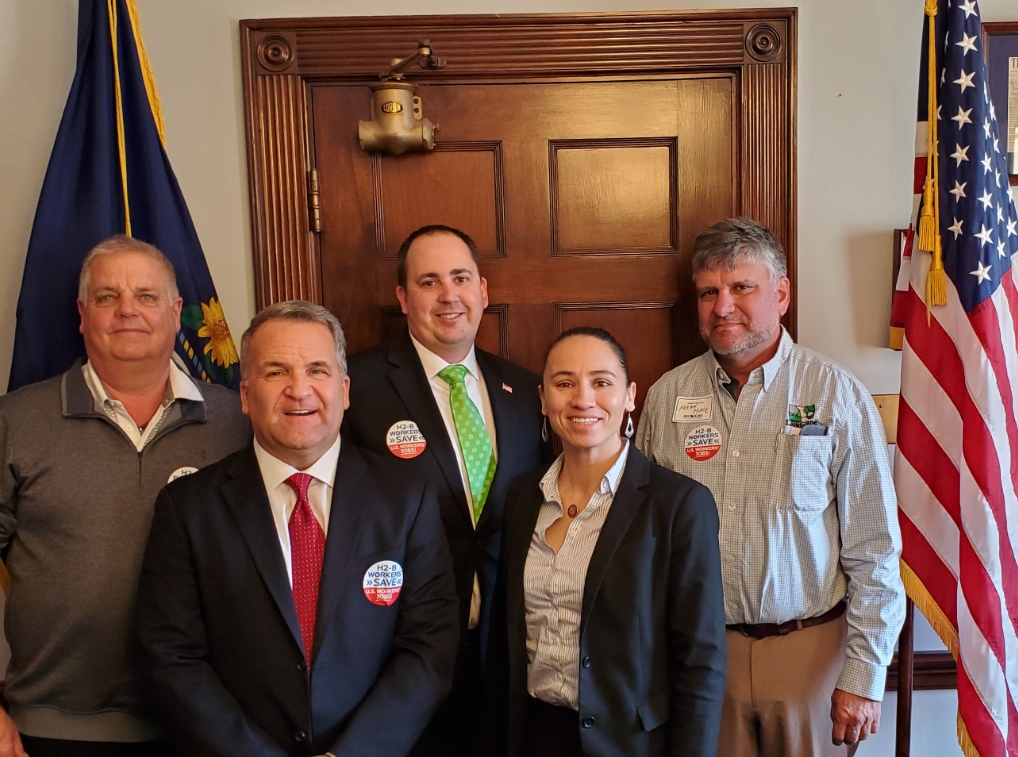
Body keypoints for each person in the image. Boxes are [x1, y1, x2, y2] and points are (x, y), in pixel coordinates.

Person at [0, 236, 250, 757]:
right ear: (82, 316)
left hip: (212, 724)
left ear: (177, 314)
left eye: (147, 296)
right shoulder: (14, 422)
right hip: (58, 730)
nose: (127, 309)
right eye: (107, 297)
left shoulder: (238, 425)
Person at [133, 301, 460, 757]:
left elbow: (430, 645)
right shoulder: (189, 508)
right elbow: (170, 658)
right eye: (275, 372)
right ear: (245, 396)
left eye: (318, 370)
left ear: (345, 390)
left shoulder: (406, 497)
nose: (299, 390)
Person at [636, 218, 903, 757]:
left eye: (741, 287)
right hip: (703, 656)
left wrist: (864, 674)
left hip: (810, 654)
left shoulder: (836, 396)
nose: (722, 306)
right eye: (709, 292)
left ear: (781, 293)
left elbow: (875, 548)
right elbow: (642, 542)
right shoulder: (667, 399)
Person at [342, 225, 550, 756]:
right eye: (429, 282)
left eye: (460, 278)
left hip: (509, 652)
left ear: (483, 290)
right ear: (403, 298)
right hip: (402, 652)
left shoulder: (527, 390)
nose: (448, 295)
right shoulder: (355, 388)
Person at [493, 327, 726, 756]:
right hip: (534, 735)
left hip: (631, 743)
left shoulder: (679, 504)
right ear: (543, 399)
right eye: (564, 383)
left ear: (630, 396)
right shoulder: (522, 497)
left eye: (601, 382)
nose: (583, 399)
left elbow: (701, 662)